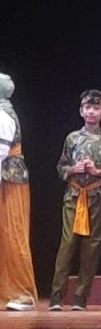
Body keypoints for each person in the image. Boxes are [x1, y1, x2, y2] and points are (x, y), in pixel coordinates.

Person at [49, 89, 101, 310]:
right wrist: (72, 169)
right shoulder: (72, 138)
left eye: (96, 108)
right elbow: (61, 167)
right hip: (74, 196)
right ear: (81, 111)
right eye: (88, 107)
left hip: (96, 197)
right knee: (68, 244)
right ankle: (56, 296)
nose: (91, 112)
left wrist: (98, 171)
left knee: (92, 247)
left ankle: (81, 298)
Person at [0, 73, 38, 311]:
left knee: (13, 234)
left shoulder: (3, 115)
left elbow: (0, 151)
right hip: (5, 179)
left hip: (9, 180)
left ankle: (22, 292)